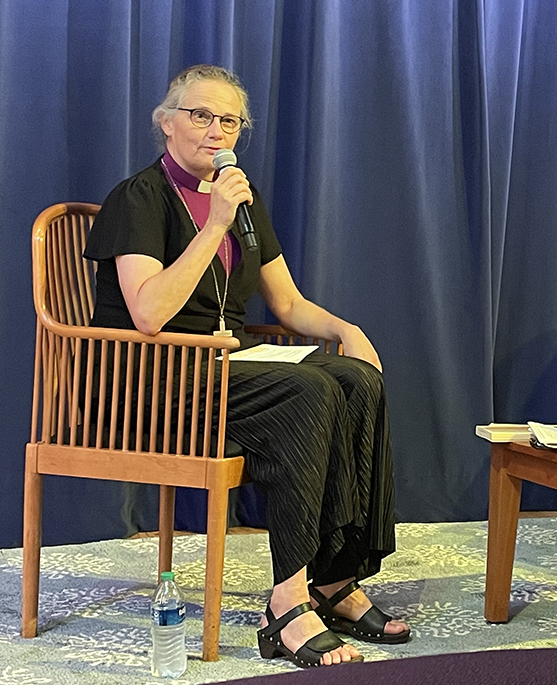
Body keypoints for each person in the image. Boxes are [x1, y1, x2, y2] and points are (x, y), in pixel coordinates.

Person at [83, 65, 410, 667]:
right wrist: (213, 224)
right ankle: (286, 603)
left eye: (227, 119)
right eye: (199, 115)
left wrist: (346, 329)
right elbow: (149, 313)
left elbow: (285, 304)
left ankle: (334, 580)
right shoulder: (139, 197)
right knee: (307, 391)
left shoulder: (242, 197)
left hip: (222, 371)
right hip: (150, 380)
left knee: (355, 378)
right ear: (166, 123)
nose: (214, 129)